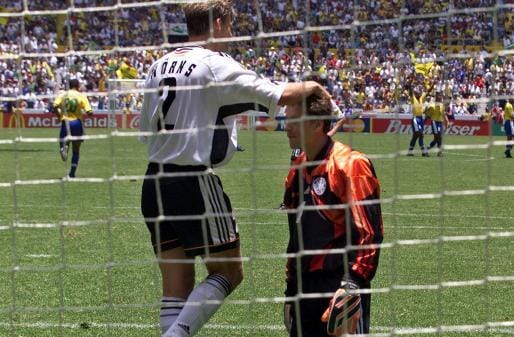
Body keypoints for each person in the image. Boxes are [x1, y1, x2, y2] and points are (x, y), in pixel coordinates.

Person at [138, 2, 331, 337]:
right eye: (229, 25)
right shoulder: (214, 63)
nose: (231, 33)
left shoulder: (159, 64)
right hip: (193, 181)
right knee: (229, 271)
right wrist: (315, 87)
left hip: (153, 181)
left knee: (176, 286)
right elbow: (279, 94)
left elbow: (145, 128)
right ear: (217, 22)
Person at [282, 94, 383, 337]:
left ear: (317, 124)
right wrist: (290, 290)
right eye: (287, 119)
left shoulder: (351, 164)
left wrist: (353, 284)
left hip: (340, 286)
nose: (287, 126)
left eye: (295, 120)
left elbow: (369, 232)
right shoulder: (297, 170)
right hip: (304, 289)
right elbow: (295, 238)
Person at [52, 78, 93, 178]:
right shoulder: (81, 96)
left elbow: (54, 106)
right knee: (76, 149)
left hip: (65, 122)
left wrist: (59, 116)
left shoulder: (63, 95)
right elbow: (89, 112)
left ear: (69, 86)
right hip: (76, 123)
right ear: (78, 86)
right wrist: (90, 113)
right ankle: (72, 173)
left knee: (62, 142)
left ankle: (63, 147)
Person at [407, 85, 429, 157]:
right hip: (415, 119)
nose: (419, 93)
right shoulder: (413, 98)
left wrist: (433, 84)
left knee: (415, 136)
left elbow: (428, 92)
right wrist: (410, 85)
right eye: (417, 92)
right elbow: (410, 92)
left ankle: (410, 151)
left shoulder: (421, 99)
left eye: (420, 92)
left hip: (421, 118)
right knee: (420, 134)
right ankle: (424, 151)